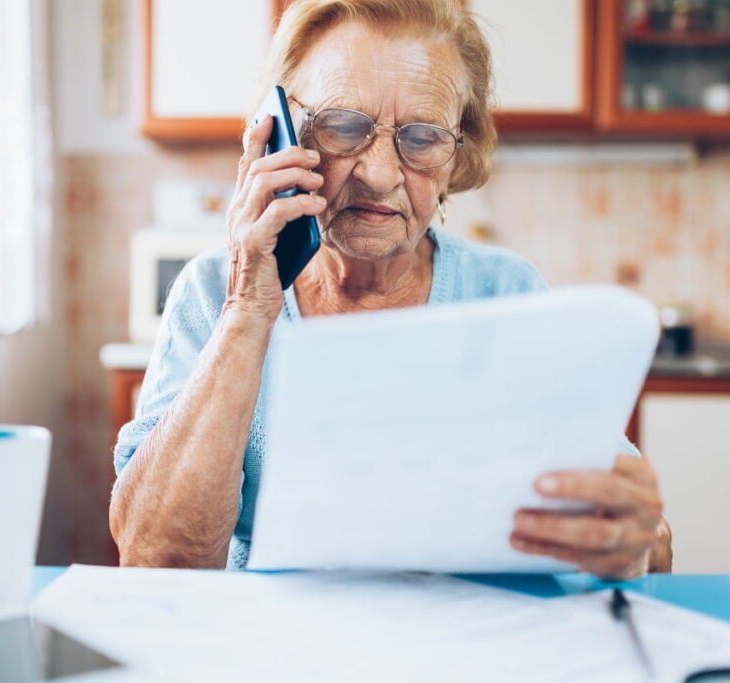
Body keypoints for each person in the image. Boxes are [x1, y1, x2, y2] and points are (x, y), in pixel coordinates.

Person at [109, 0, 672, 578]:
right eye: (342, 127)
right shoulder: (214, 292)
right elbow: (154, 559)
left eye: (422, 137)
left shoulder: (507, 293)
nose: (378, 174)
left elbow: (646, 544)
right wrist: (248, 310)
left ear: (457, 155)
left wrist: (631, 537)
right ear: (278, 132)